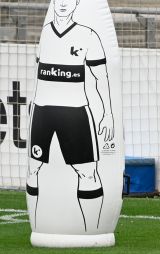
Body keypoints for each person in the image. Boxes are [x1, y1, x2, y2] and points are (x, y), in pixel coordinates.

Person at [27, 0, 114, 232]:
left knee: (87, 172)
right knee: (33, 168)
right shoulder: (46, 31)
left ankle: (92, 232)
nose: (63, 3)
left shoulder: (88, 35)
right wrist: (32, 105)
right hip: (43, 111)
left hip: (75, 113)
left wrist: (107, 114)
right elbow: (39, 71)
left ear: (76, 2)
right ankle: (39, 229)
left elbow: (101, 78)